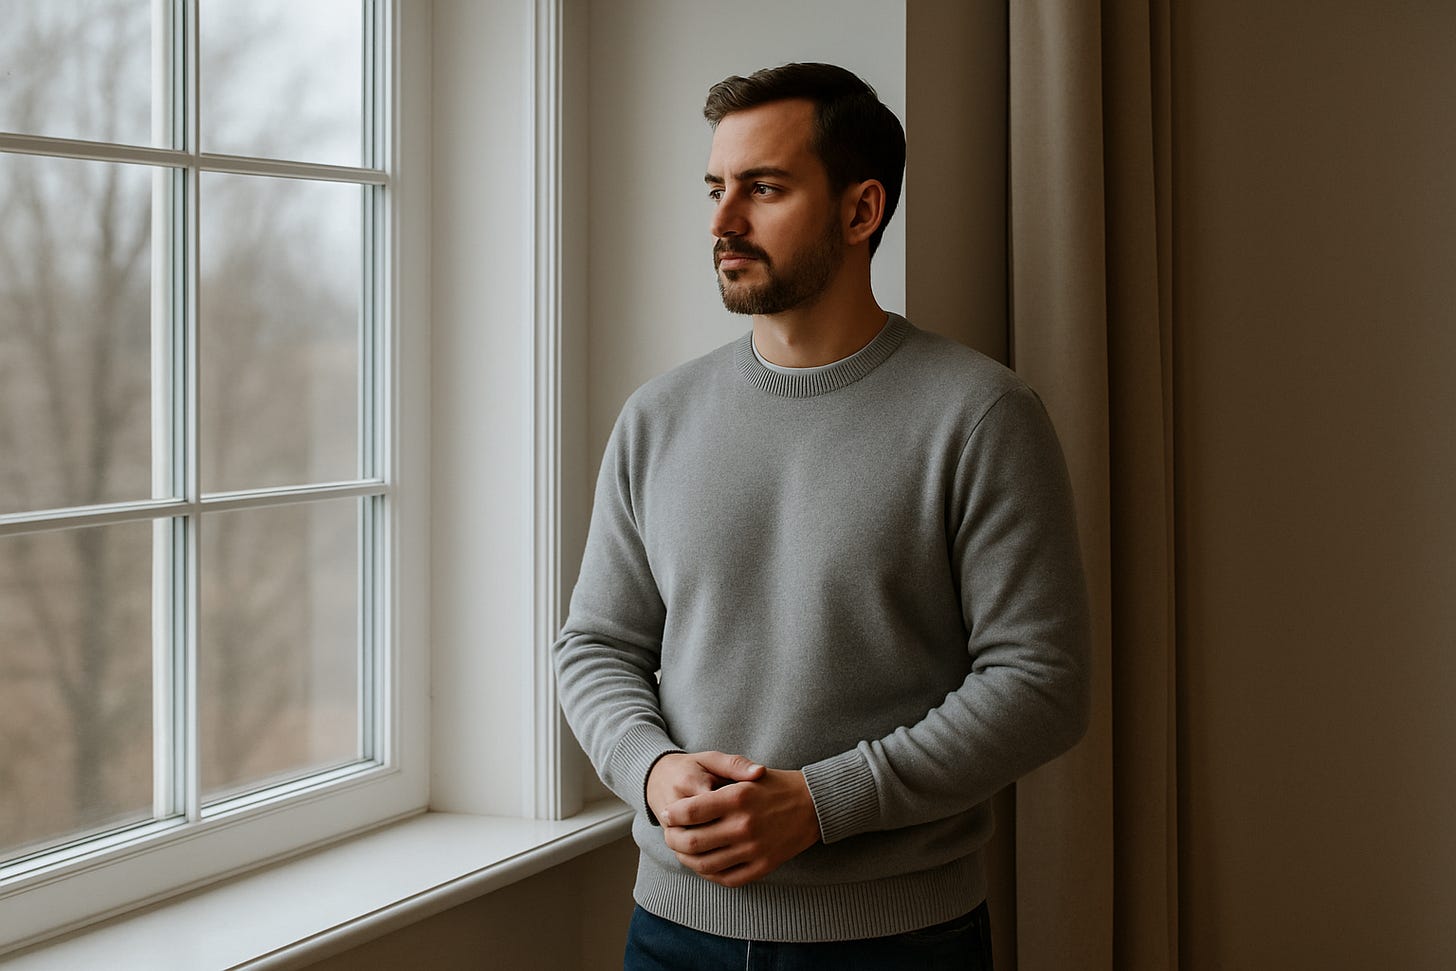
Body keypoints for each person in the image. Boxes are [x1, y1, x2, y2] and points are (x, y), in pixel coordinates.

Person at [552, 62, 1090, 970]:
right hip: (671, 933)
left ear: (860, 210)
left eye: (763, 189)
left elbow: (1041, 682)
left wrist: (821, 803)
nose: (722, 222)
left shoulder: (981, 416)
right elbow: (595, 646)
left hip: (899, 941)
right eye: (716, 189)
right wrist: (652, 769)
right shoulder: (657, 418)